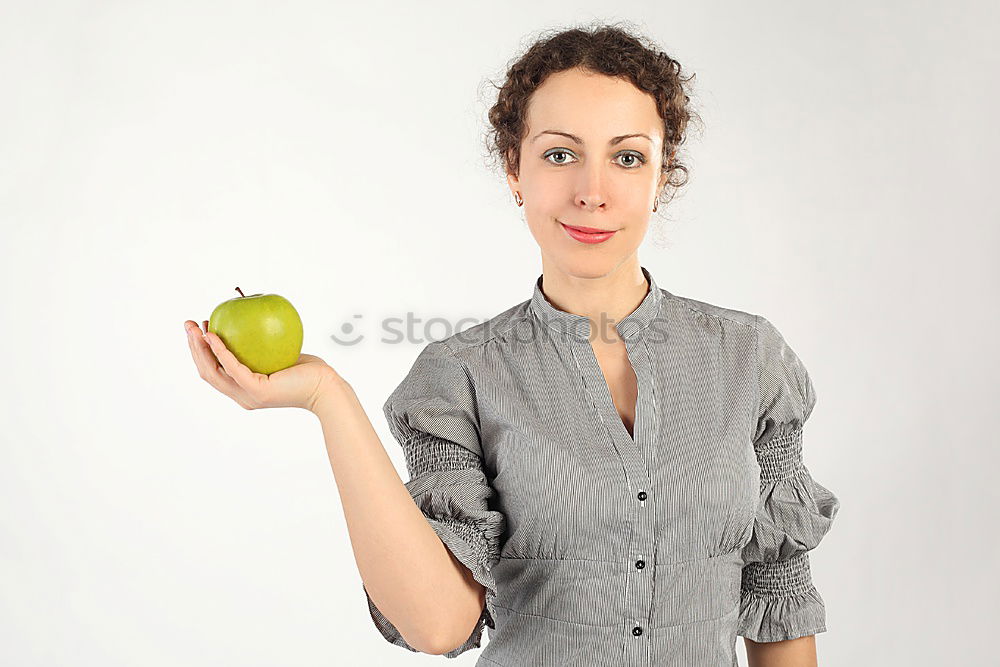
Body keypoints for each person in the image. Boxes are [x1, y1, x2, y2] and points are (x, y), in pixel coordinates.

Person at [184, 22, 840, 667]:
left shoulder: (749, 357)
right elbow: (439, 623)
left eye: (627, 156)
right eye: (560, 154)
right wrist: (329, 397)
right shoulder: (459, 377)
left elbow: (776, 596)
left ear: (660, 174)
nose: (592, 190)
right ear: (515, 170)